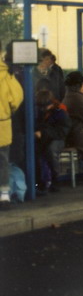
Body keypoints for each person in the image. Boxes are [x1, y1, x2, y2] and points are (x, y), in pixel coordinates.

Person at [33, 89, 71, 194]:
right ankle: (39, 182)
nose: (43, 109)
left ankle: (55, 180)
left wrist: (43, 133)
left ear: (51, 103)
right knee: (34, 152)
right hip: (44, 138)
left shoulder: (60, 112)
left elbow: (62, 131)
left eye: (45, 107)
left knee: (51, 151)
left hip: (57, 139)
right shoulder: (39, 111)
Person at [0, 49, 23, 209]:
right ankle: (4, 196)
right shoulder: (5, 74)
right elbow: (16, 98)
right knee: (3, 161)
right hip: (2, 124)